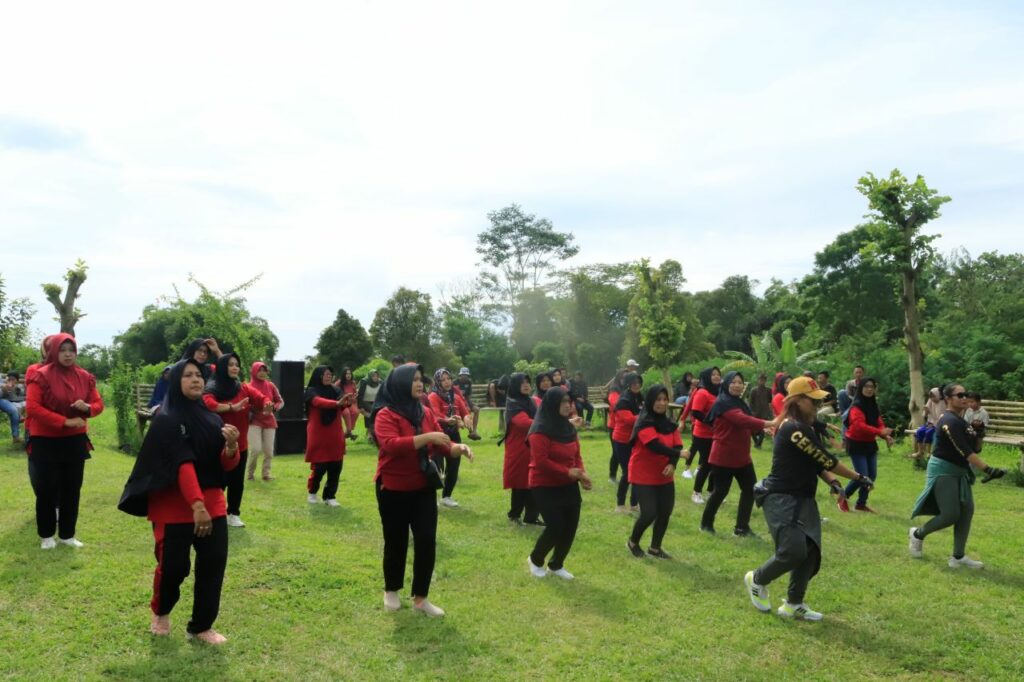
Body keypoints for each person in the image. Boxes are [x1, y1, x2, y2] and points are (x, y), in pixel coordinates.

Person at [117, 358, 241, 644]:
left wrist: (231, 448)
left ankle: (201, 626)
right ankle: (161, 612)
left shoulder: (212, 419)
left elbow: (224, 466)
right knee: (174, 568)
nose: (196, 380)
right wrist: (197, 506)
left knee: (212, 565)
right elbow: (182, 464)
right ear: (176, 382)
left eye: (199, 375)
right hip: (174, 507)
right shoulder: (166, 420)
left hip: (212, 504)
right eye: (187, 375)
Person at [743, 376, 875, 621]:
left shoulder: (805, 427)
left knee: (810, 551)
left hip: (802, 498)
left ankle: (794, 603)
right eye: (812, 401)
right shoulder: (794, 428)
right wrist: (858, 476)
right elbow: (826, 459)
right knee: (792, 551)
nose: (816, 406)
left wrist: (834, 483)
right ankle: (757, 579)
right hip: (782, 498)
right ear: (798, 401)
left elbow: (816, 463)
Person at [373, 363, 473, 616]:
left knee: (426, 541)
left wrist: (457, 448)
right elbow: (391, 445)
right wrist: (428, 438)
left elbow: (442, 443)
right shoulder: (386, 414)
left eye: (421, 379)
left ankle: (421, 598)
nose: (420, 383)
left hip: (422, 488)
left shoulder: (425, 412)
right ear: (400, 384)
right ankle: (391, 590)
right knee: (396, 542)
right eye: (414, 379)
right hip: (392, 488)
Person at [909, 383, 1005, 568]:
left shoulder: (962, 421)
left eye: (965, 394)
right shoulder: (948, 421)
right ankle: (917, 534)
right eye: (959, 395)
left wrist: (979, 433)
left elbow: (975, 447)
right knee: (950, 514)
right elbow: (964, 451)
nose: (964, 398)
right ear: (948, 399)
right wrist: (988, 469)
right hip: (943, 470)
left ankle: (958, 557)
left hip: (960, 471)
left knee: (966, 511)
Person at [25, 333, 104, 549]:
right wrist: (64, 421)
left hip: (74, 441)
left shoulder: (84, 376)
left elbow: (97, 403)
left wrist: (87, 408)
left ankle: (68, 535)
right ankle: (46, 535)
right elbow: (32, 407)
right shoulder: (40, 375)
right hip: (46, 440)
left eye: (72, 350)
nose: (68, 354)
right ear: (53, 351)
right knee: (46, 489)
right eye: (63, 350)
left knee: (72, 488)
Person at [701, 372, 778, 536]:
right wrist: (769, 422)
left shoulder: (739, 403)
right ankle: (706, 524)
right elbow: (743, 420)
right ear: (726, 384)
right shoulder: (723, 403)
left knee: (750, 490)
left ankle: (742, 527)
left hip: (742, 457)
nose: (737, 385)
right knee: (720, 491)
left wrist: (764, 428)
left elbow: (747, 421)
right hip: (723, 457)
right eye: (733, 382)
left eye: (740, 382)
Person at [527, 387, 591, 580]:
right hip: (544, 484)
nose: (568, 405)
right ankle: (535, 559)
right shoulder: (539, 429)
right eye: (563, 402)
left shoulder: (568, 427)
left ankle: (556, 565)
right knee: (556, 526)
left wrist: (582, 475)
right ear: (553, 404)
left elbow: (576, 454)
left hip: (568, 483)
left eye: (569, 401)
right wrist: (567, 472)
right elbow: (541, 461)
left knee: (570, 526)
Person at [201, 354, 269, 527]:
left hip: (240, 444)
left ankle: (233, 513)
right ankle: (213, 512)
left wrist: (267, 403)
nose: (234, 368)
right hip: (217, 442)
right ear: (223, 367)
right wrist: (231, 407)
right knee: (218, 480)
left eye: (236, 365)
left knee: (237, 481)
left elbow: (260, 397)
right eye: (230, 365)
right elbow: (208, 403)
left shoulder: (243, 387)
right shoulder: (212, 386)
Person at [626, 385, 684, 558]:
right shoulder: (644, 422)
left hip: (665, 474)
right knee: (649, 513)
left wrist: (673, 464)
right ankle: (632, 542)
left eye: (665, 399)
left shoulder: (669, 424)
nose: (662, 403)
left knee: (665, 512)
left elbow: (677, 443)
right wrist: (678, 454)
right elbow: (654, 446)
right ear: (650, 401)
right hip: (642, 474)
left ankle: (655, 548)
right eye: (658, 399)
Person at [839, 378, 893, 513]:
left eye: (872, 387)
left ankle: (861, 504)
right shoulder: (856, 406)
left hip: (869, 443)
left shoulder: (873, 404)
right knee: (862, 476)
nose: (869, 389)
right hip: (856, 443)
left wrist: (885, 435)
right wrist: (879, 432)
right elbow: (858, 426)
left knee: (871, 476)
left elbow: (878, 421)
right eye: (866, 386)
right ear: (861, 388)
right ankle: (842, 497)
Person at [304, 366, 352, 507]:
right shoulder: (311, 391)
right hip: (318, 434)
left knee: (336, 466)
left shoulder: (336, 390)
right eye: (325, 374)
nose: (328, 376)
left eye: (330, 374)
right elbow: (318, 402)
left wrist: (347, 401)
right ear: (318, 376)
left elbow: (344, 406)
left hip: (335, 434)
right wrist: (336, 403)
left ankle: (330, 496)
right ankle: (312, 492)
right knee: (319, 467)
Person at [427, 368, 475, 508]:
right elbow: (434, 415)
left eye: (448, 378)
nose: (447, 382)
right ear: (438, 382)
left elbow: (465, 411)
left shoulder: (455, 396)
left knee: (453, 467)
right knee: (436, 467)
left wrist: (466, 419)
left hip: (454, 434)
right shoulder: (433, 397)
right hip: (438, 434)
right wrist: (448, 420)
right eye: (443, 380)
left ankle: (446, 496)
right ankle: (433, 497)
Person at [502, 373, 541, 525]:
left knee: (534, 483)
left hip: (533, 446)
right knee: (520, 484)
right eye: (522, 382)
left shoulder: (531, 401)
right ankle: (514, 515)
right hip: (519, 449)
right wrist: (545, 423)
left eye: (527, 382)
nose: (526, 385)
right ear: (515, 385)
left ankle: (531, 517)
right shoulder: (513, 403)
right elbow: (523, 423)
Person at [686, 367, 722, 503]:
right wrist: (712, 423)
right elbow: (696, 412)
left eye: (718, 374)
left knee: (716, 465)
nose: (716, 376)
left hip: (717, 434)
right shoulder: (702, 392)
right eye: (713, 374)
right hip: (703, 434)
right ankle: (696, 492)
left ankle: (710, 491)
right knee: (706, 464)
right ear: (707, 376)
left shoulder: (719, 392)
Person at [245, 361, 283, 481]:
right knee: (256, 449)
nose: (262, 373)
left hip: (269, 420)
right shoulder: (247, 386)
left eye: (264, 370)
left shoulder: (271, 385)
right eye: (259, 370)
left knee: (269, 451)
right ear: (254, 371)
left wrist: (274, 408)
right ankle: (250, 475)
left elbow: (280, 401)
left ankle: (266, 474)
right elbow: (244, 403)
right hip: (254, 420)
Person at [611, 373, 643, 513]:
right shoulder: (623, 400)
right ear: (628, 384)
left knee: (637, 471)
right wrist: (644, 415)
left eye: (638, 382)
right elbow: (629, 420)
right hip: (622, 440)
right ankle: (620, 504)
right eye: (634, 382)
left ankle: (634, 504)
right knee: (628, 472)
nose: (636, 385)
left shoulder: (640, 397)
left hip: (637, 439)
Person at [606, 369, 626, 483]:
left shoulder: (629, 389)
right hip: (615, 425)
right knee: (617, 452)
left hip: (627, 426)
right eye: (622, 377)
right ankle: (612, 476)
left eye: (626, 378)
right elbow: (615, 404)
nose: (624, 380)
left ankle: (626, 476)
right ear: (618, 378)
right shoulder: (614, 389)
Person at [913, 388, 946, 459]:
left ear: (938, 395)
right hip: (930, 423)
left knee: (929, 433)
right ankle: (920, 451)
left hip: (938, 425)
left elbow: (941, 417)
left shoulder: (943, 402)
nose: (932, 398)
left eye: (934, 396)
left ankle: (929, 452)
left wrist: (933, 424)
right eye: (931, 397)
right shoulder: (930, 400)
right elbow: (925, 414)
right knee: (920, 431)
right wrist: (926, 411)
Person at [454, 367, 483, 441]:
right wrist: (464, 406)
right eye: (463, 375)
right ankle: (470, 431)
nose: (464, 377)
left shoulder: (469, 382)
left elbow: (468, 396)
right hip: (457, 401)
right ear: (460, 375)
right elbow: (454, 396)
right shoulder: (455, 383)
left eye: (466, 375)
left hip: (466, 400)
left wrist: (467, 404)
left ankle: (474, 431)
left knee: (476, 409)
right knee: (467, 411)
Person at [357, 369, 383, 444]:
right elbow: (360, 396)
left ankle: (370, 433)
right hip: (365, 402)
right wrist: (360, 407)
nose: (375, 377)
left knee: (376, 412)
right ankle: (371, 434)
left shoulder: (381, 382)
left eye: (377, 376)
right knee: (372, 412)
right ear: (370, 376)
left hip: (377, 402)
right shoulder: (364, 382)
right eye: (373, 376)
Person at [748, 373, 773, 449]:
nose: (762, 381)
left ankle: (758, 444)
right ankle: (756, 442)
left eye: (763, 380)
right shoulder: (754, 390)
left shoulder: (768, 390)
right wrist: (752, 412)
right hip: (755, 413)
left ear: (765, 381)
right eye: (761, 380)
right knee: (752, 430)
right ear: (758, 380)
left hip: (764, 413)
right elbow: (751, 402)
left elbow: (770, 401)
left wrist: (769, 412)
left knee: (763, 430)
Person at [1, 371, 25, 443]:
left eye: (13, 379)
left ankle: (16, 436)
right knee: (14, 408)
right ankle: (16, 436)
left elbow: (21, 394)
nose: (11, 381)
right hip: (5, 399)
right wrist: (4, 389)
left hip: (9, 400)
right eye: (9, 379)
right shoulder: (4, 384)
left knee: (15, 409)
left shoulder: (18, 387)